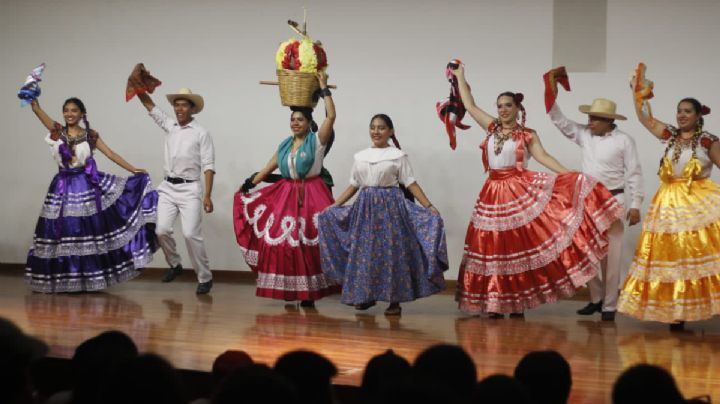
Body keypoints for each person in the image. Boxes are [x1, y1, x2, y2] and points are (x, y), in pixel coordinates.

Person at [451, 64, 624, 317]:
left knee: (515, 250)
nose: (502, 110)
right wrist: (460, 76)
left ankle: (517, 303)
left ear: (517, 109)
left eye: (508, 105)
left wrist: (569, 174)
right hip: (491, 193)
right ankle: (497, 303)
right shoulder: (492, 128)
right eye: (499, 106)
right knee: (494, 248)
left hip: (517, 192)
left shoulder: (527, 135)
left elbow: (544, 157)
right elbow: (470, 105)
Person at [318, 114, 448, 316]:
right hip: (366, 208)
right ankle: (365, 295)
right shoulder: (360, 156)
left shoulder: (397, 155)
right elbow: (354, 185)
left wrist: (428, 205)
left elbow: (410, 182)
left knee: (391, 253)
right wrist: (334, 205)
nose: (376, 132)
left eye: (381, 128)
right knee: (365, 252)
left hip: (391, 208)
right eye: (373, 127)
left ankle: (394, 300)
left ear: (390, 131)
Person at [26, 96, 158, 293]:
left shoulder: (90, 135)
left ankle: (87, 278)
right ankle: (65, 279)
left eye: (74, 110)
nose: (69, 114)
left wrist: (134, 169)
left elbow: (111, 154)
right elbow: (38, 112)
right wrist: (33, 101)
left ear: (82, 114)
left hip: (84, 185)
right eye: (66, 110)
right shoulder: (57, 132)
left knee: (85, 232)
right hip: (61, 185)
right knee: (62, 232)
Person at [619, 73, 720, 330]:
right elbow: (646, 119)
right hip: (668, 204)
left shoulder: (708, 140)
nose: (682, 115)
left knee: (698, 255)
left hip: (697, 204)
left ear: (698, 115)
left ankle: (706, 306)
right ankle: (678, 313)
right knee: (673, 258)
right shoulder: (671, 136)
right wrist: (636, 94)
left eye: (687, 111)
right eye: (679, 111)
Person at [233, 72, 338, 306]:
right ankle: (290, 289)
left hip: (312, 194)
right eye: (292, 119)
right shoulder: (284, 145)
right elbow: (269, 166)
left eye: (299, 119)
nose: (295, 123)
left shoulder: (317, 141)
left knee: (309, 244)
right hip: (286, 195)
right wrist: (250, 184)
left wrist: (323, 88)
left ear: (308, 123)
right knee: (282, 244)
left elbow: (331, 116)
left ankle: (309, 294)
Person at [547, 84, 645, 321]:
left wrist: (635, 205)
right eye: (589, 117)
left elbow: (634, 173)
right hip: (588, 199)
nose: (589, 121)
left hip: (614, 199)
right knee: (586, 252)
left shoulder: (624, 141)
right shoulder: (584, 134)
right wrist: (550, 95)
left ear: (608, 120)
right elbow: (560, 121)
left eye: (594, 118)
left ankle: (610, 306)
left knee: (612, 254)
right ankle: (596, 299)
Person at [136, 83, 215, 295]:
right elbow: (150, 107)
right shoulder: (170, 126)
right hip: (168, 187)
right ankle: (175, 264)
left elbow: (208, 165)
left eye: (183, 105)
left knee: (190, 234)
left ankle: (205, 278)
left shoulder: (201, 133)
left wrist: (207, 195)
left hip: (190, 189)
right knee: (161, 230)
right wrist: (137, 88)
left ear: (192, 108)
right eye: (176, 105)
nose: (179, 109)